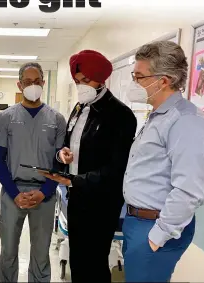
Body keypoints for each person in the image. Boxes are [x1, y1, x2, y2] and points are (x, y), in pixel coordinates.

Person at [42, 50, 137, 282]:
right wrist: (62, 154)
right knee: (78, 260)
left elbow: (116, 168)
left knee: (94, 262)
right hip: (76, 196)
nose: (80, 86)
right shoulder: (78, 108)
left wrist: (74, 180)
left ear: (100, 78)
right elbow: (71, 142)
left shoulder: (120, 115)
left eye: (85, 80)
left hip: (101, 201)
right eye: (77, 82)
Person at [123, 41, 204, 282]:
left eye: (139, 76)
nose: (135, 83)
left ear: (163, 80)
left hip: (155, 227)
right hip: (138, 222)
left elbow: (189, 190)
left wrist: (157, 237)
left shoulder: (186, 121)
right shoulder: (157, 116)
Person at [0, 62, 67, 282]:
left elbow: (60, 163)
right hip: (12, 192)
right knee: (8, 252)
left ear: (43, 83)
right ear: (19, 84)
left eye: (36, 82)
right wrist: (14, 193)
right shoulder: (6, 118)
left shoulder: (56, 119)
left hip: (44, 193)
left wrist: (45, 191)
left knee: (41, 253)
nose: (32, 86)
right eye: (27, 82)